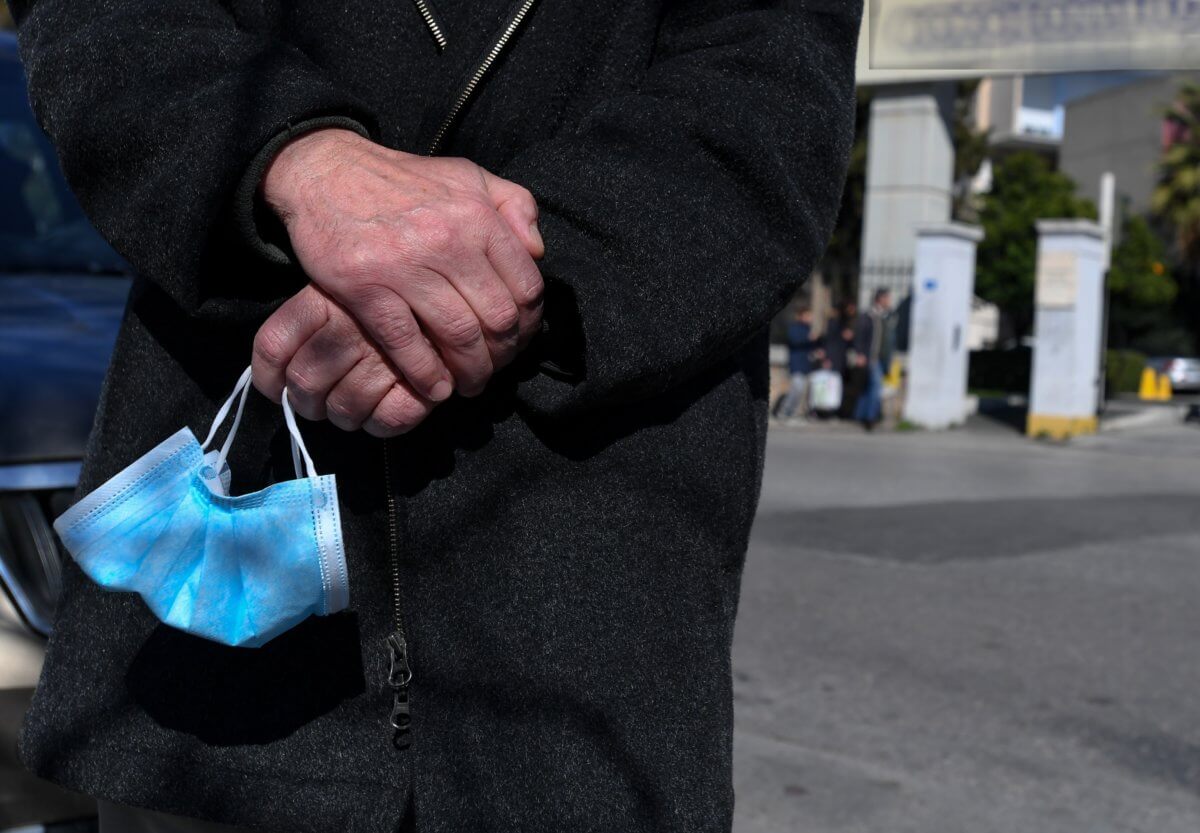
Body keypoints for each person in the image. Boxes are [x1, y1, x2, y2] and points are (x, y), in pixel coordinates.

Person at [9, 1, 863, 832]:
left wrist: (485, 277)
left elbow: (766, 93)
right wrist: (296, 158)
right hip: (212, 709)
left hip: (583, 641)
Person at [852, 287, 894, 430]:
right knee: (875, 387)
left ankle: (860, 415)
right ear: (880, 299)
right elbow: (859, 336)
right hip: (871, 357)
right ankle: (870, 418)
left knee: (868, 387)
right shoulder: (869, 316)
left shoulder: (886, 317)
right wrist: (860, 354)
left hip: (882, 359)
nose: (889, 301)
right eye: (887, 298)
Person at [776, 304, 822, 421]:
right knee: (797, 388)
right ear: (801, 316)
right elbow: (794, 341)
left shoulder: (808, 328)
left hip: (807, 364)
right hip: (796, 363)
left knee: (805, 392)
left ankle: (795, 413)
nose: (810, 318)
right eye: (808, 315)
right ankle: (784, 411)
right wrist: (809, 338)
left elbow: (811, 346)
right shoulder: (795, 328)